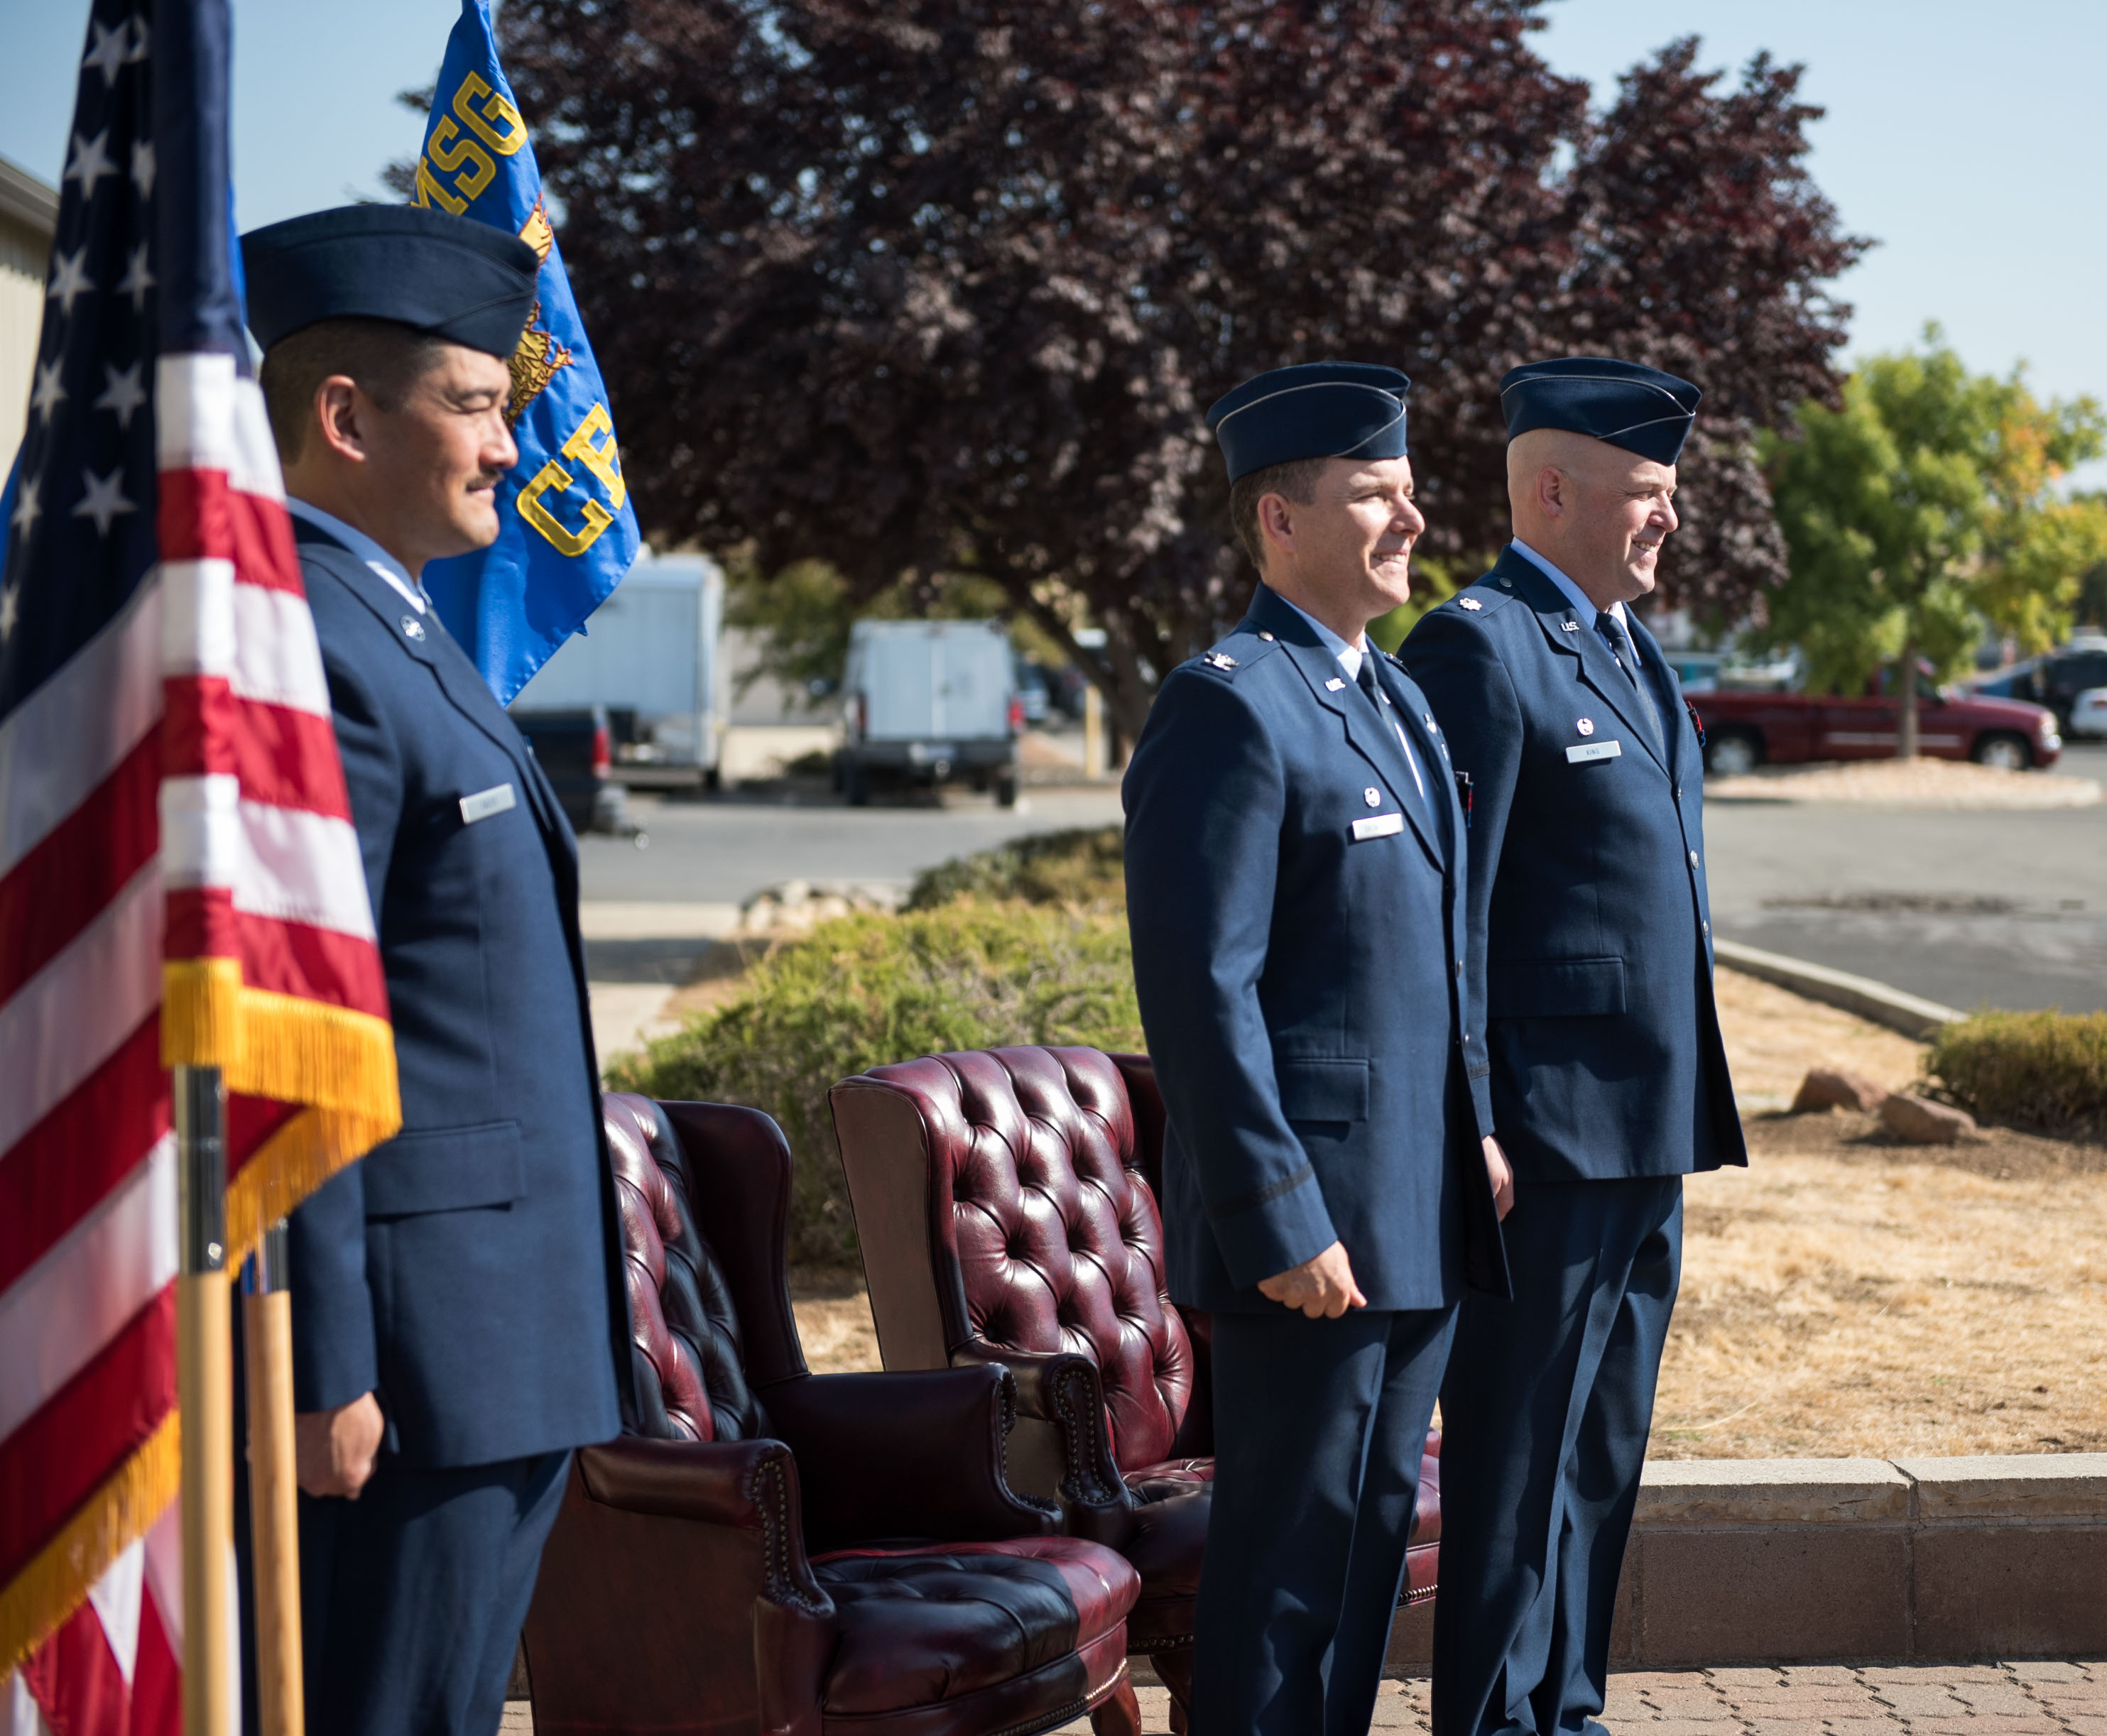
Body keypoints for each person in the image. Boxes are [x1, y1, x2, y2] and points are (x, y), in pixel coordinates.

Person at [239, 204, 631, 1736]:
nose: (511, 447)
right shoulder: (310, 645)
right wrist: (317, 1357)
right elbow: (290, 1025)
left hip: (490, 1342)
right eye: (475, 404)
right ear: (345, 417)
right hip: (401, 1366)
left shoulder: (398, 627)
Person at [1124, 361, 1513, 1736]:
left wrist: (1469, 1125)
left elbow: (1436, 950)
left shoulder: (1396, 700)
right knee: (1286, 1569)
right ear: (1279, 520)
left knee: (1355, 1561)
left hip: (1416, 1205)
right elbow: (1198, 988)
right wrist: (1275, 1214)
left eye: (1408, 493)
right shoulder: (1228, 702)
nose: (1407, 520)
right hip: (1309, 1237)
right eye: (1370, 496)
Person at [1400, 357, 1746, 1736]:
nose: (1667, 520)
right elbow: (1450, 911)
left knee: (1600, 1447)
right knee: (1517, 1442)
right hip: (1539, 1137)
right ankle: (1488, 1716)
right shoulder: (1477, 646)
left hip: (1644, 1123)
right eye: (1648, 496)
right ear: (1551, 489)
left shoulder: (1629, 649)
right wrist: (1469, 1113)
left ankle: (1566, 1704)